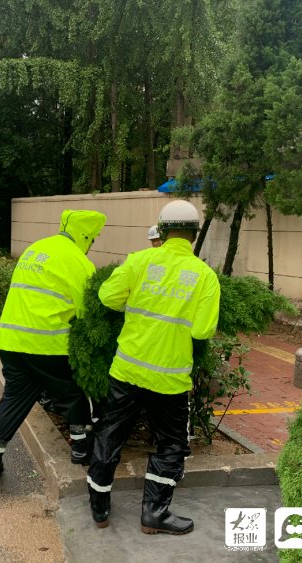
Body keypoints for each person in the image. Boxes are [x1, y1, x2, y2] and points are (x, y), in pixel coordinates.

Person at [87, 199, 220, 534]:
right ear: (194, 234)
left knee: (110, 435)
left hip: (127, 371)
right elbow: (202, 330)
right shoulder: (205, 277)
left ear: (161, 229)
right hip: (169, 380)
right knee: (172, 444)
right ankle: (154, 514)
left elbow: (107, 297)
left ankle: (100, 508)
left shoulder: (139, 260)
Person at [0, 209, 108, 481]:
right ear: (86, 236)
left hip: (12, 343)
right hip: (49, 345)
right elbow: (84, 310)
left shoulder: (35, 249)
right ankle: (80, 449)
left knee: (15, 398)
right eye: (93, 239)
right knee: (72, 392)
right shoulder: (79, 261)